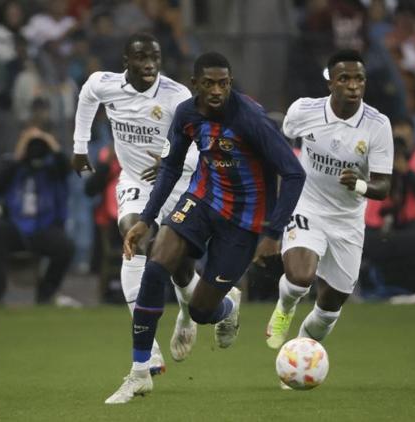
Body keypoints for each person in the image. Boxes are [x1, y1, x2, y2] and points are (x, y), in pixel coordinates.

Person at [120, 51, 305, 400]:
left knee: (201, 311)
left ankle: (227, 309)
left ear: (230, 83)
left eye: (223, 83)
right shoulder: (187, 114)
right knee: (155, 265)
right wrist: (146, 218)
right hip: (203, 200)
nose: (217, 90)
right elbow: (172, 167)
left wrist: (272, 233)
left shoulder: (250, 120)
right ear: (195, 85)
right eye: (209, 84)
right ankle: (140, 370)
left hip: (244, 221)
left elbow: (294, 173)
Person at [71, 33, 199, 404]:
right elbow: (86, 96)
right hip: (134, 182)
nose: (149, 63)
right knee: (135, 241)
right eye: (141, 57)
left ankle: (192, 312)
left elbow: (201, 144)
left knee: (181, 271)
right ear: (127, 59)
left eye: (154, 56)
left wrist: (175, 160)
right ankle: (149, 354)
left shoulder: (177, 96)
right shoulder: (105, 84)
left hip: (179, 185)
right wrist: (80, 147)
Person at [264, 50, 393, 362]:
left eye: (358, 78)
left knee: (330, 306)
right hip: (307, 205)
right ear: (330, 83)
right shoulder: (303, 111)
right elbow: (274, 142)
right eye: (345, 78)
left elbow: (383, 186)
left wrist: (360, 184)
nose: (352, 85)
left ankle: (299, 358)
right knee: (299, 278)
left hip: (348, 220)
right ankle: (285, 307)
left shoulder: (377, 125)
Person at [0, 128, 74, 304]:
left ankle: (45, 293)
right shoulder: (15, 168)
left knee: (66, 247)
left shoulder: (53, 170)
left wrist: (49, 141)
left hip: (45, 228)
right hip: (16, 228)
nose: (35, 150)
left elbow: (67, 167)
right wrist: (19, 154)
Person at [362, 117, 415, 295]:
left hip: (409, 226)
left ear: (413, 138)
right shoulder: (373, 157)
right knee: (363, 243)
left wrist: (407, 171)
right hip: (377, 226)